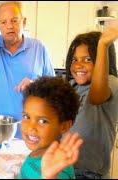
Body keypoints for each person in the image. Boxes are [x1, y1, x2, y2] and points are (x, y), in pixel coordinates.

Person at [0, 1, 55, 138]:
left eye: (14, 21)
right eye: (3, 22)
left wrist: (35, 85)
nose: (9, 26)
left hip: (30, 133)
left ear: (23, 22)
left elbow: (54, 89)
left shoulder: (39, 48)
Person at [65, 22, 118, 178]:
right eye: (74, 60)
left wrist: (102, 45)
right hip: (66, 169)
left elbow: (96, 97)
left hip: (91, 174)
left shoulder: (111, 83)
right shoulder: (71, 85)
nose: (78, 65)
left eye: (87, 59)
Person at [19, 76, 83, 179]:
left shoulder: (58, 170)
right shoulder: (38, 152)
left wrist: (50, 176)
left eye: (42, 121)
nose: (31, 127)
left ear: (64, 126)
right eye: (27, 117)